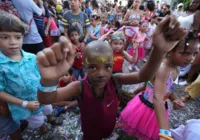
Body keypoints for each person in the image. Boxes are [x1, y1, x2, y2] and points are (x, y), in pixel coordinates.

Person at [37, 15, 187, 140]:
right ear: (84, 67)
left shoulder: (115, 80)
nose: (101, 73)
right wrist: (48, 80)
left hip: (109, 127)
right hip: (90, 132)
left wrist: (159, 51)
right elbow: (47, 99)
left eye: (107, 67)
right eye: (93, 67)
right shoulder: (79, 86)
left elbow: (144, 75)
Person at [118, 31, 199, 140]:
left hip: (157, 110)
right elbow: (157, 98)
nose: (191, 58)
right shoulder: (163, 68)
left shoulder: (175, 68)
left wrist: (174, 99)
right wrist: (165, 133)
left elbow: (167, 88)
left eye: (194, 54)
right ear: (170, 51)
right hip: (146, 108)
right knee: (134, 131)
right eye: (185, 53)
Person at [0, 11, 61, 139]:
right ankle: (42, 127)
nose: (12, 42)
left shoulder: (32, 57)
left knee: (48, 109)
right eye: (5, 37)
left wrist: (49, 88)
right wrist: (24, 104)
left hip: (42, 97)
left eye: (17, 37)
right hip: (26, 106)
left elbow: (42, 76)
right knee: (36, 121)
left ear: (23, 37)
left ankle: (50, 118)